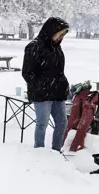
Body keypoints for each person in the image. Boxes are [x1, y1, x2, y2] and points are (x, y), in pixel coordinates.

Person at [22, 17, 70, 152]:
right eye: (60, 34)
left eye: (63, 35)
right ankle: (40, 152)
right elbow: (27, 73)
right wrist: (40, 87)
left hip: (57, 92)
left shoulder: (56, 48)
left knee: (62, 123)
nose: (61, 37)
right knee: (42, 123)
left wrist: (63, 84)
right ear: (51, 31)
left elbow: (58, 70)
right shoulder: (34, 47)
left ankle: (56, 151)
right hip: (42, 93)